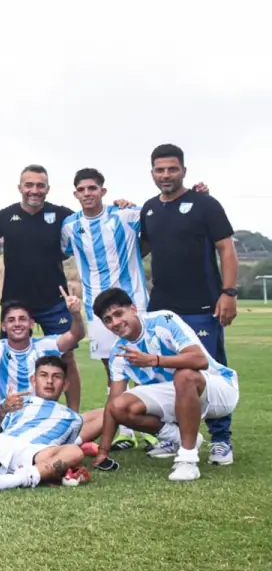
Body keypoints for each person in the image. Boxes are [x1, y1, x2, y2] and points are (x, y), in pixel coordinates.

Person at [139, 144, 239, 466]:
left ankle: (221, 440)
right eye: (160, 170)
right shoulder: (149, 209)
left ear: (184, 170)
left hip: (202, 306)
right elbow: (139, 249)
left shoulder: (205, 204)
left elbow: (226, 249)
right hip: (161, 308)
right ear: (152, 173)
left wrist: (229, 292)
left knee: (208, 372)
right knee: (165, 374)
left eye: (172, 169)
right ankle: (177, 436)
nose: (166, 175)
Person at [90, 288, 240, 482]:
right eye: (108, 320)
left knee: (184, 375)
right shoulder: (118, 353)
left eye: (119, 313)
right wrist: (103, 452)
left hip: (218, 388)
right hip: (178, 395)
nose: (115, 322)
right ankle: (180, 438)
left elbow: (199, 360)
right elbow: (113, 407)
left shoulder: (163, 320)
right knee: (119, 406)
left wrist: (153, 360)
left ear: (133, 309)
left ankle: (187, 460)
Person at [0, 165, 80, 409]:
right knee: (8, 360)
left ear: (48, 189)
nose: (34, 190)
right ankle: (6, 414)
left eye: (40, 185)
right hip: (16, 305)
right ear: (20, 188)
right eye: (29, 185)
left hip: (54, 301)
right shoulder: (6, 216)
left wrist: (120, 206)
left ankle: (73, 416)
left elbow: (90, 221)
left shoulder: (62, 215)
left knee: (67, 357)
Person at [61, 167, 149, 450]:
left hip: (133, 303)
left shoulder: (126, 215)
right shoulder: (70, 226)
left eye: (93, 188)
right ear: (75, 194)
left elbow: (158, 221)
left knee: (144, 363)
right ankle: (125, 429)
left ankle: (152, 427)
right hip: (96, 308)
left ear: (103, 191)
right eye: (82, 189)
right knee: (112, 367)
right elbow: (61, 250)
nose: (87, 193)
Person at [0, 355, 89, 492]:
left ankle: (18, 479)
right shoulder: (16, 401)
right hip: (5, 442)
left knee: (74, 452)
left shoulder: (74, 418)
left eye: (56, 377)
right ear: (33, 380)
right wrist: (3, 409)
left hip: (38, 451)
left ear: (65, 384)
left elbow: (61, 451)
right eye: (43, 375)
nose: (49, 381)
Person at [0, 290, 85, 419]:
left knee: (93, 418)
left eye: (22, 319)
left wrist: (76, 314)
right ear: (3, 326)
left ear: (31, 323)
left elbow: (76, 335)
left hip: (38, 420)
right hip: (4, 423)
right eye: (11, 320)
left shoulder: (44, 346)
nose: (17, 324)